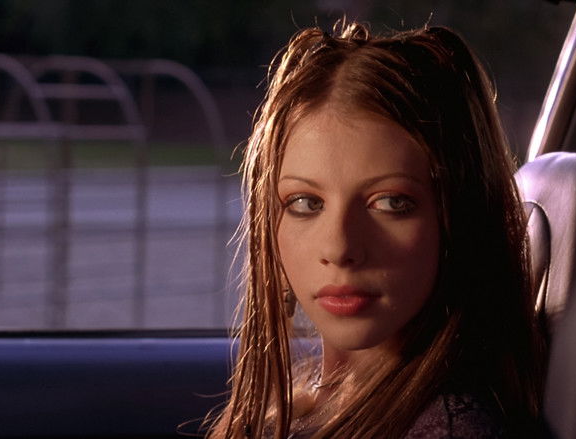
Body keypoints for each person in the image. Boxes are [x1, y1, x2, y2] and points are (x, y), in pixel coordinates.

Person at [206, 19, 545, 439]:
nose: (339, 247)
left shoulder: (447, 430)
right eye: (305, 203)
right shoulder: (298, 405)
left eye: (390, 203)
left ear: (459, 219)